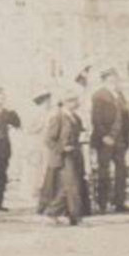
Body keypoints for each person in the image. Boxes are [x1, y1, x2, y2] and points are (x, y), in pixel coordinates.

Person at [90, 63, 129, 213]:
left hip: (120, 139)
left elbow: (126, 117)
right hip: (105, 140)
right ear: (105, 80)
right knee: (104, 172)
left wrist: (127, 136)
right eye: (111, 79)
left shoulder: (120, 95)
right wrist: (104, 136)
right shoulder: (99, 95)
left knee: (122, 171)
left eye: (116, 79)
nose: (115, 81)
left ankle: (119, 203)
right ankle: (102, 204)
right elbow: (96, 119)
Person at [42, 92, 89, 226]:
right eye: (72, 101)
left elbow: (80, 134)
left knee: (68, 187)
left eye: (75, 100)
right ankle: (76, 217)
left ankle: (53, 213)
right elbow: (48, 140)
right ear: (64, 102)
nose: (75, 103)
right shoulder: (58, 117)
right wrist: (62, 148)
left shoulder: (76, 118)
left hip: (75, 155)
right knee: (72, 186)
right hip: (63, 157)